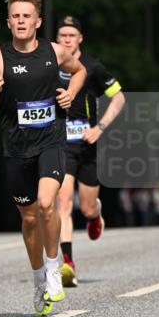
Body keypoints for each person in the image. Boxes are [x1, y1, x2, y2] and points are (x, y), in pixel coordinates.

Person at [0, 0, 86, 316]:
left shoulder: (55, 52)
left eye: (27, 16)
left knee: (48, 204)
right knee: (28, 218)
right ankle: (39, 278)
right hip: (16, 147)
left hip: (52, 141)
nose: (21, 21)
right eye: (16, 16)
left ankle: (54, 267)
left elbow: (79, 71)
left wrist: (69, 94)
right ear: (8, 21)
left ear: (37, 21)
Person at [55, 15, 126, 287]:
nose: (66, 40)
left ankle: (95, 215)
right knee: (63, 203)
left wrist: (101, 127)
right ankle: (67, 264)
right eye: (62, 36)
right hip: (61, 145)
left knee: (85, 208)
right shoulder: (50, 66)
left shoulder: (93, 67)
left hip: (87, 144)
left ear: (80, 39)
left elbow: (119, 97)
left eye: (71, 36)